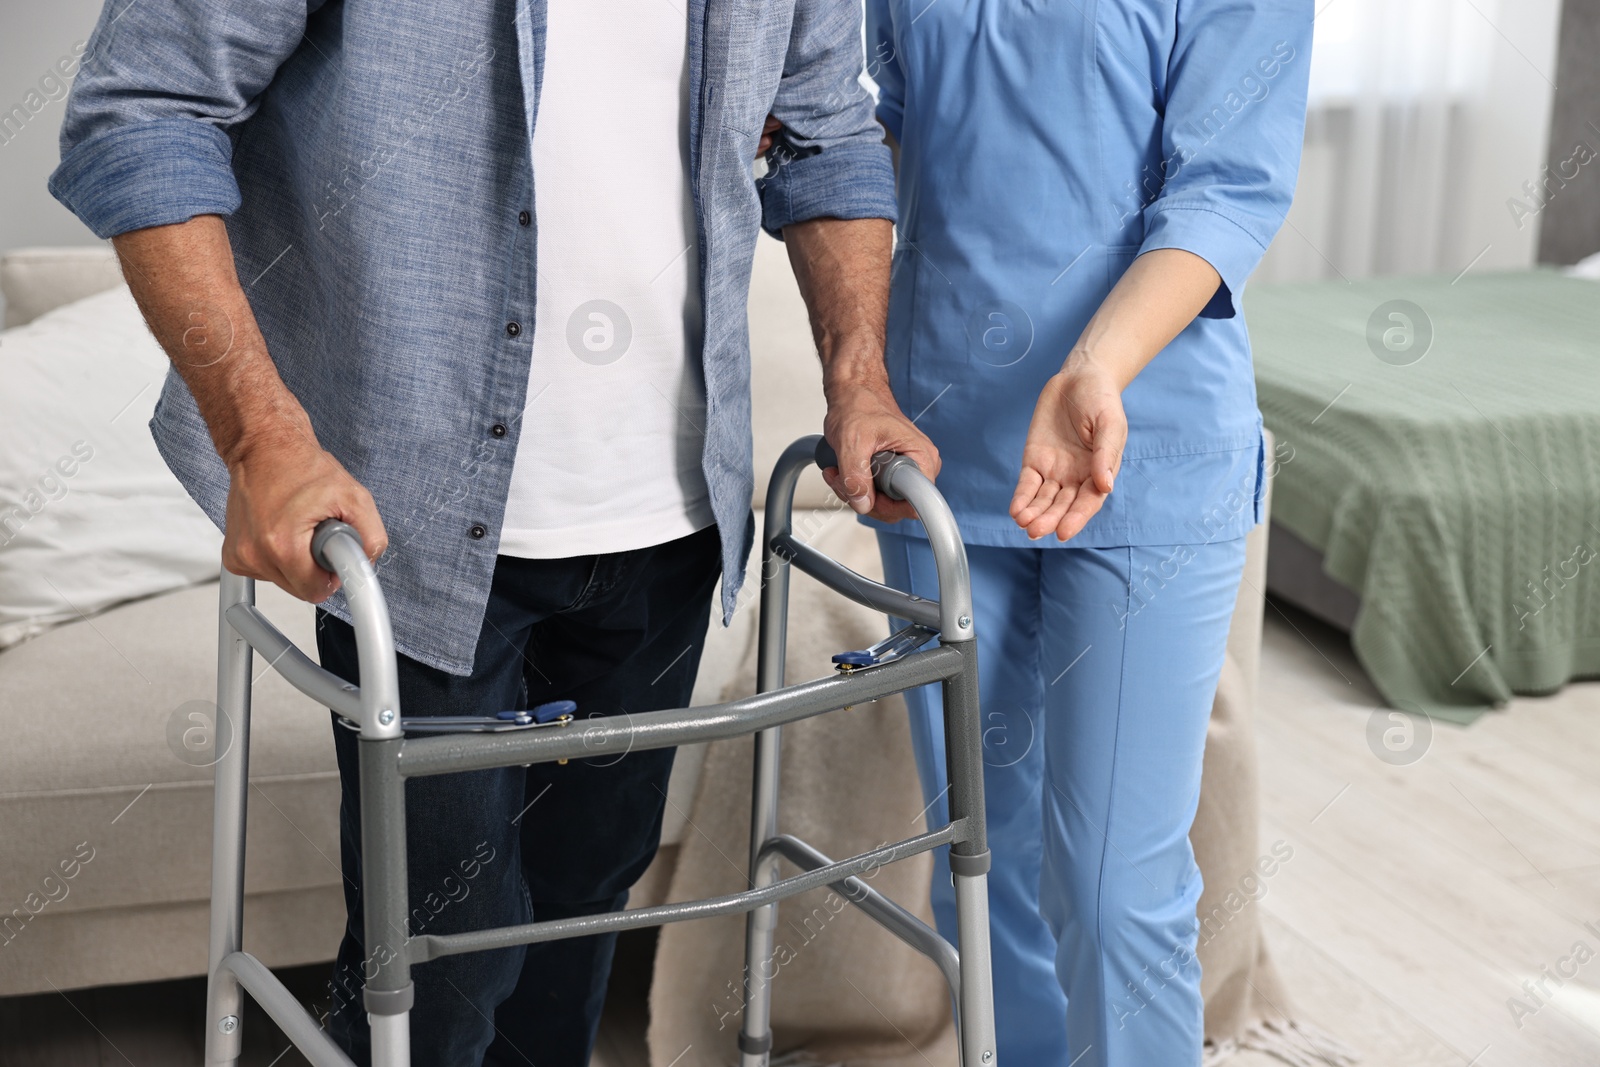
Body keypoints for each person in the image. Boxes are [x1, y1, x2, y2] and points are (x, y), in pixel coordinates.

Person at [50, 2, 937, 1064]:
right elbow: (142, 111)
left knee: (578, 911)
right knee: (442, 953)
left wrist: (860, 384)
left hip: (672, 515)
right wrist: (262, 437)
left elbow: (826, 133)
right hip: (408, 523)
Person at [863, 3, 1312, 1065]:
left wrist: (1095, 366)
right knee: (979, 863)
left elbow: (1227, 188)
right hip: (938, 451)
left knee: (1114, 885)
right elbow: (873, 128)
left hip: (1139, 447)